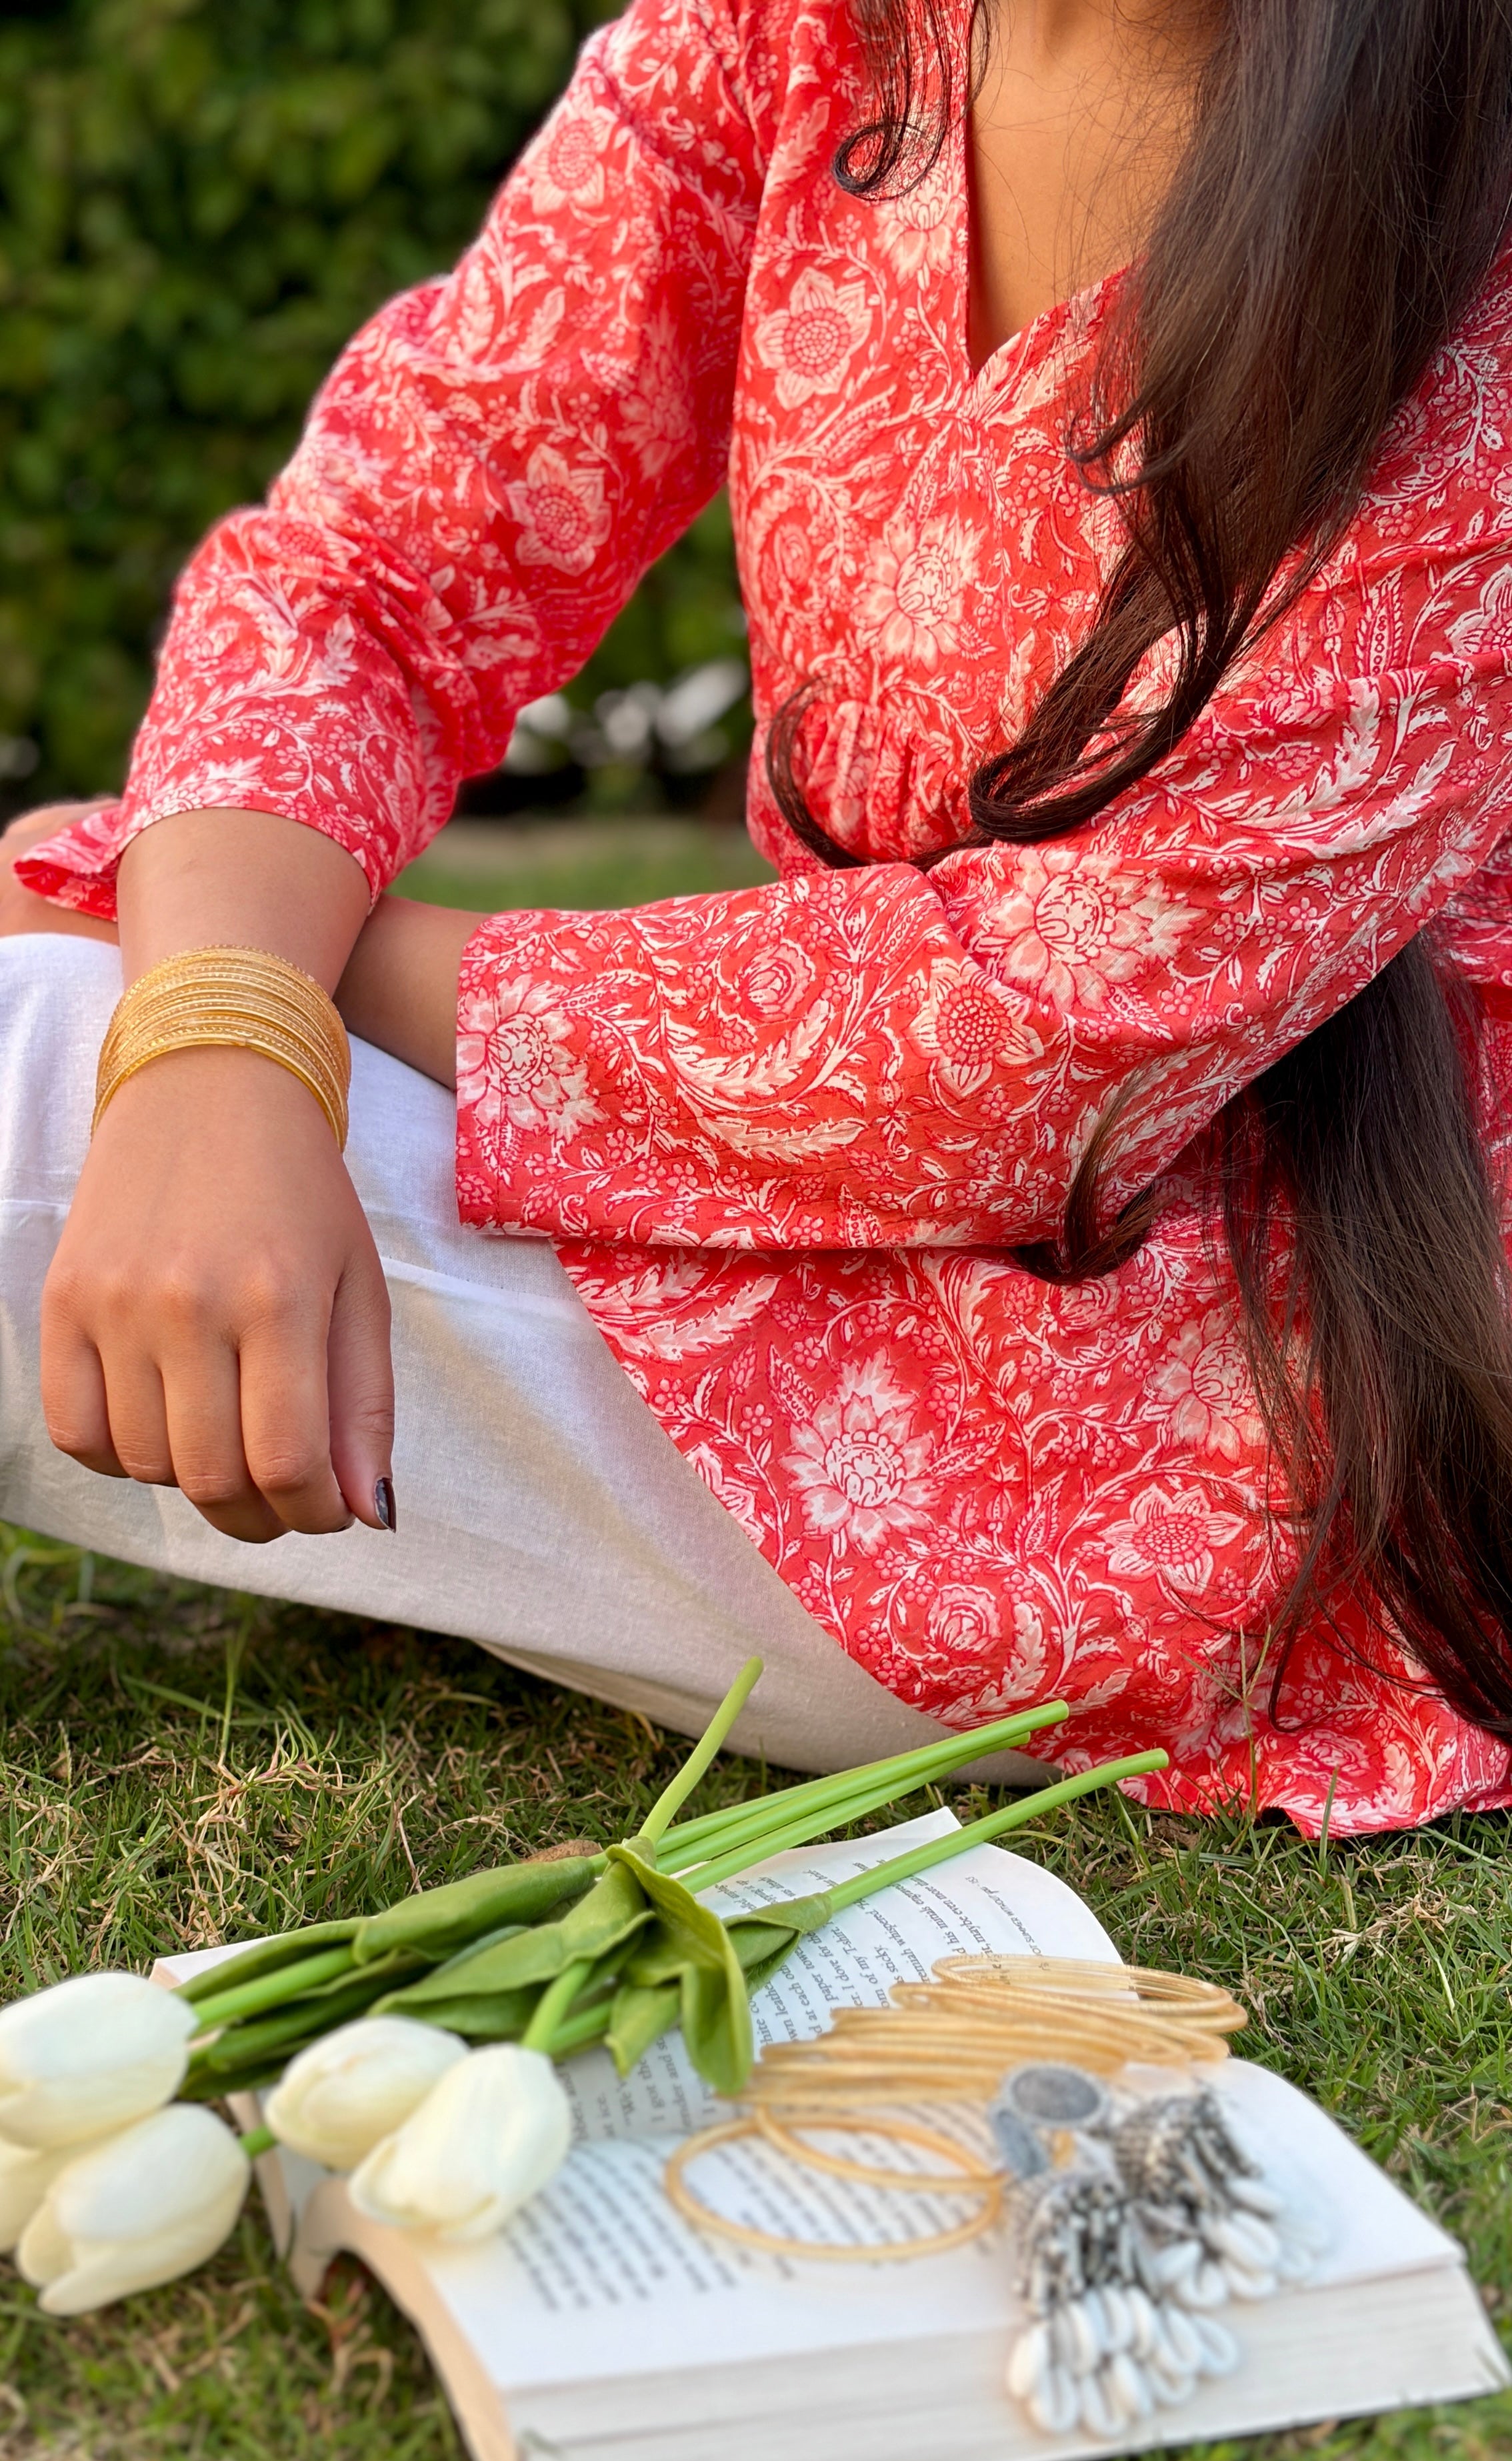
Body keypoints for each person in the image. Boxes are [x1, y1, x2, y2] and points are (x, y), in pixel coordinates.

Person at [3, 0, 1512, 1827]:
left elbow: (1021, 1050)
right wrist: (226, 1022)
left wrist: (247, 1018)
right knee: (113, 973)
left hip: (1202, 1406)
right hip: (774, 1190)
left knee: (41, 1042)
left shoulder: (1469, 222)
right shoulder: (799, 36)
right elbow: (380, 567)